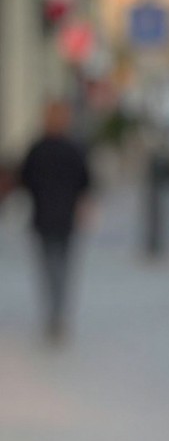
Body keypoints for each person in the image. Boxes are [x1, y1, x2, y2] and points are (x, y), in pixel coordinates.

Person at [17, 98, 92, 343]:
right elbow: (86, 182)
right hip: (65, 218)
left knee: (48, 268)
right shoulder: (74, 147)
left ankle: (53, 313)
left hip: (42, 216)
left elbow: (24, 179)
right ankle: (58, 314)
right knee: (63, 269)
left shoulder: (37, 148)